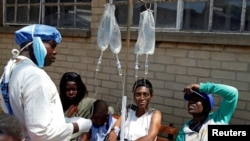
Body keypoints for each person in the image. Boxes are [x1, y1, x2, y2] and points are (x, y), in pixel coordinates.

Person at [0, 24, 92, 141]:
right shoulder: (34, 77)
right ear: (33, 44)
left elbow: (35, 119)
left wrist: (67, 121)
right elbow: (40, 134)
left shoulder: (11, 69)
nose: (55, 52)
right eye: (52, 45)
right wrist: (80, 125)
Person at [59, 72, 96, 140]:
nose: (71, 93)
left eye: (74, 89)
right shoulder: (58, 104)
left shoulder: (86, 103)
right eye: (68, 90)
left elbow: (108, 110)